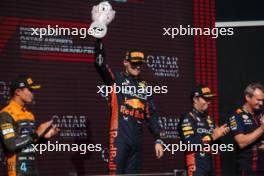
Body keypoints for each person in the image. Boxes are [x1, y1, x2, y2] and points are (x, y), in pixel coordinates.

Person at [94, 39, 164, 175]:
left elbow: (152, 116)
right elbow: (100, 64)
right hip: (119, 138)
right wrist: (98, 41)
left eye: (140, 64)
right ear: (125, 62)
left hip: (137, 141)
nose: (138, 67)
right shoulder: (116, 79)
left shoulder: (145, 86)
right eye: (134, 63)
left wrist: (158, 139)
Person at [0, 75, 59, 176]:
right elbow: (11, 145)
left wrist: (44, 138)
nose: (33, 94)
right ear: (18, 92)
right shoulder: (6, 114)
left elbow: (30, 144)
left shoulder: (29, 115)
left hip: (32, 167)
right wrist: (36, 134)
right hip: (15, 169)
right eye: (30, 90)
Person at [178, 85, 230, 176]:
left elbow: (216, 147)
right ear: (195, 99)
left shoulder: (209, 119)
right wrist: (213, 136)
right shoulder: (188, 117)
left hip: (209, 164)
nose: (209, 102)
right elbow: (188, 144)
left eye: (210, 99)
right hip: (195, 165)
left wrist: (219, 136)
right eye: (206, 99)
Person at [229, 83, 264, 176]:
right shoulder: (236, 116)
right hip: (248, 169)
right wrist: (262, 129)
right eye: (258, 100)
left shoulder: (261, 114)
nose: (261, 103)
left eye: (262, 100)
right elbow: (241, 142)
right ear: (248, 97)